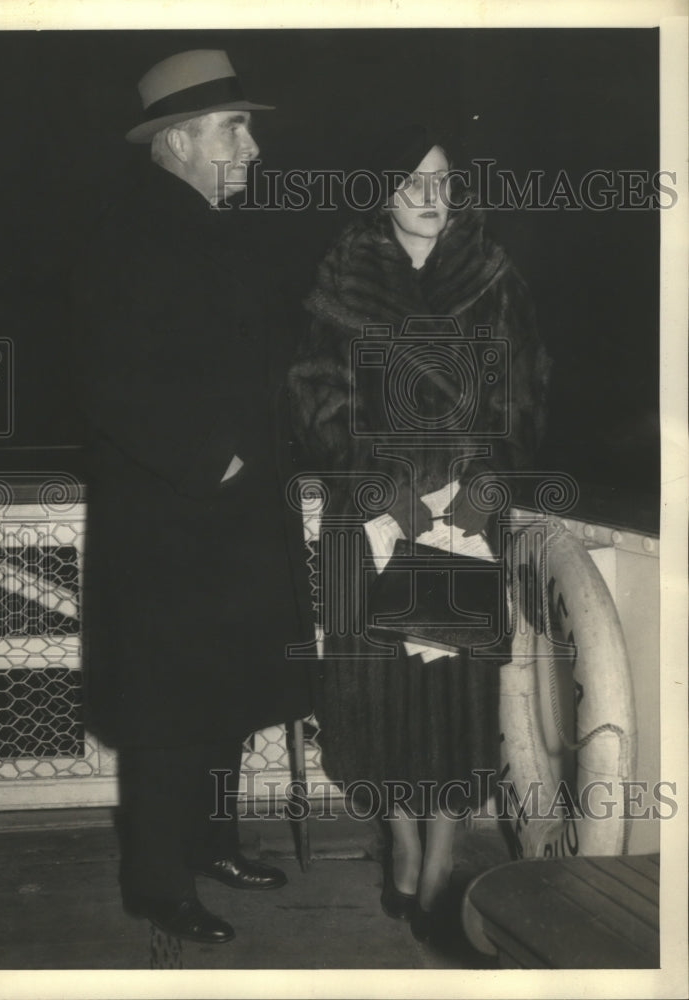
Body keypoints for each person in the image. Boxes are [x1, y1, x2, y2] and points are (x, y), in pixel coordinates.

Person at [71, 49, 313, 944]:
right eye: (233, 127)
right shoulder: (128, 227)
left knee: (226, 692)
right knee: (169, 708)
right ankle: (155, 881)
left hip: (230, 517)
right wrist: (210, 462)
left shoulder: (210, 223)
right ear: (177, 138)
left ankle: (213, 844)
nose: (251, 145)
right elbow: (107, 380)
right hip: (171, 520)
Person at [288, 124, 549, 947]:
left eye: (441, 180)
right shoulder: (339, 275)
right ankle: (399, 841)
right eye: (410, 183)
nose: (430, 198)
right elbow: (313, 398)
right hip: (370, 514)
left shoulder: (493, 274)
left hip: (460, 513)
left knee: (450, 702)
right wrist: (378, 490)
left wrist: (471, 498)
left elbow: (524, 394)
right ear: (377, 191)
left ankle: (439, 862)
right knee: (379, 702)